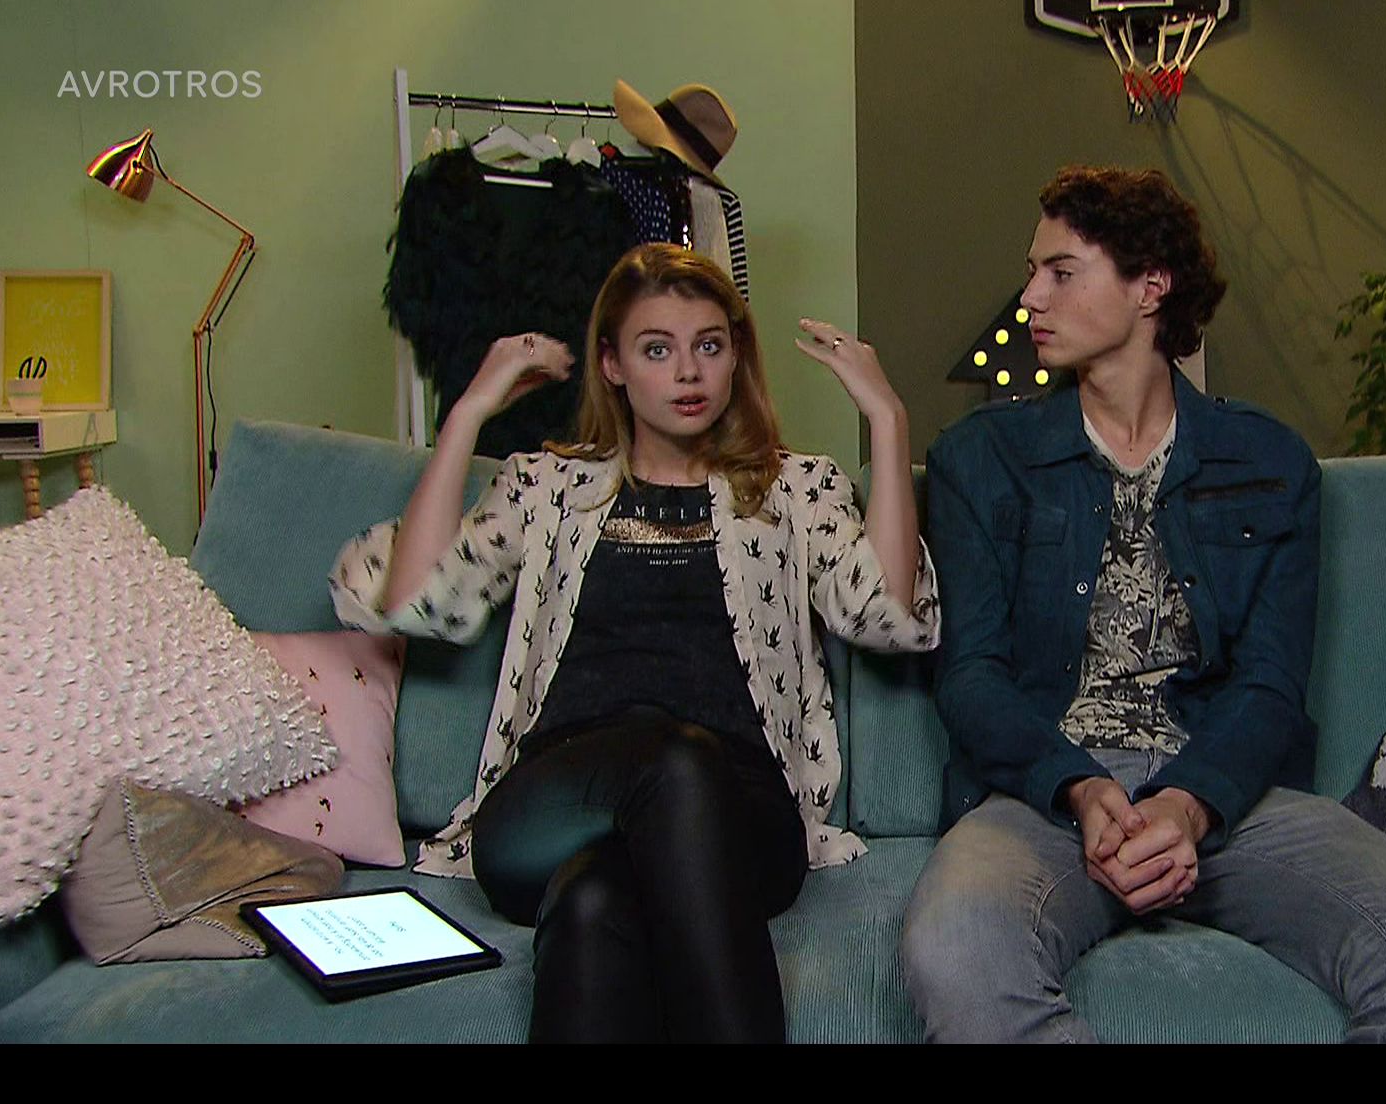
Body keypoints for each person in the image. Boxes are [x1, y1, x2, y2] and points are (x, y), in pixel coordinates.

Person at [899, 166, 1386, 1043]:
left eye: (1062, 272)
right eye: (1033, 272)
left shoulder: (1267, 462)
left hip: (1228, 794)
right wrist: (1081, 787)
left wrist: (1186, 804)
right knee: (956, 951)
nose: (1031, 297)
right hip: (1049, 796)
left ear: (1150, 286)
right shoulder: (981, 458)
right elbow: (970, 677)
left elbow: (1270, 684)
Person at [330, 243, 938, 1043]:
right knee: (667, 762)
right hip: (557, 799)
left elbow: (888, 617)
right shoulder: (549, 487)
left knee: (594, 901)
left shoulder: (794, 489)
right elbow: (417, 598)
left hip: (739, 813)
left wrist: (888, 421)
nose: (688, 371)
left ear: (735, 357)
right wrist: (469, 413)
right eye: (657, 349)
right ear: (612, 365)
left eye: (709, 346)